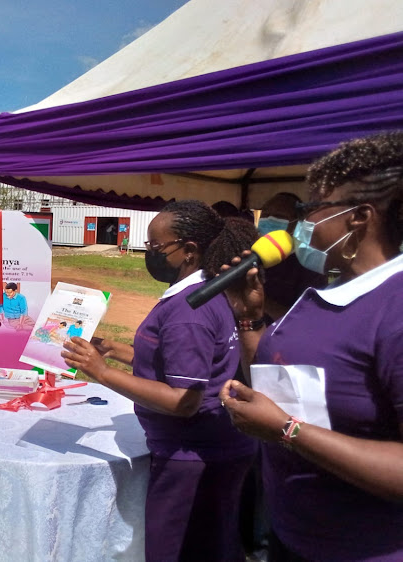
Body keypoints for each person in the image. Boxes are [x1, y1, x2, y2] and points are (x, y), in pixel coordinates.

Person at [219, 132, 403, 561]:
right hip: (294, 535)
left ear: (359, 218)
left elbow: (285, 420)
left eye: (312, 208)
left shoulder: (394, 307)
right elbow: (273, 379)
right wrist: (249, 318)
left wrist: (286, 430)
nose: (299, 224)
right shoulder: (325, 289)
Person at [62, 200, 258, 561]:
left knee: (179, 551)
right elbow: (174, 363)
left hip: (195, 458)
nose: (148, 254)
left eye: (156, 247)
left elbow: (184, 400)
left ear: (189, 251)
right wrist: (113, 350)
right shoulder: (205, 292)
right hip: (213, 449)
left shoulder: (188, 311)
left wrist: (102, 373)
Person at [257, 192, 327, 319]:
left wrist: (261, 302)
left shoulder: (308, 266)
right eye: (265, 215)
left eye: (279, 216)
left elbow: (304, 320)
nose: (269, 220)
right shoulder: (254, 257)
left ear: (297, 222)